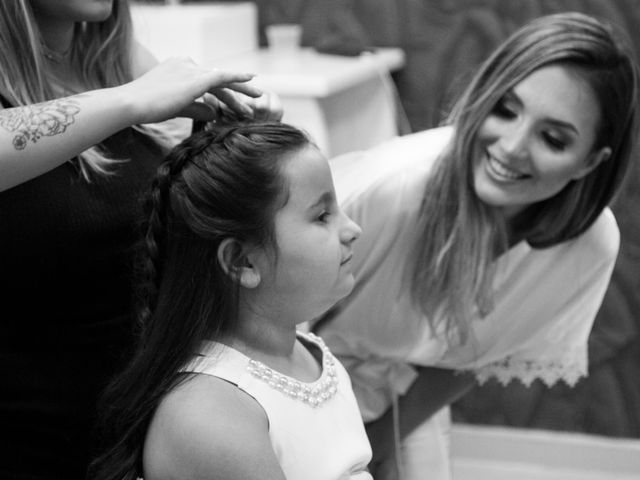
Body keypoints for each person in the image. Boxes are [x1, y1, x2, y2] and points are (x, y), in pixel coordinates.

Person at [312, 11, 639, 480]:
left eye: (552, 138)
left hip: (400, 393)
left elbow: (470, 359)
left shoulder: (589, 246)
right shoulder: (394, 189)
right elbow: (270, 324)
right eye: (505, 110)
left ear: (591, 162)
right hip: (293, 379)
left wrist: (381, 441)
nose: (511, 147)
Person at [0, 1, 282, 478]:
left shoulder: (106, 50)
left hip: (133, 429)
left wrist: (230, 128)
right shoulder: (126, 81)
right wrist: (132, 100)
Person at [88, 121, 370, 480]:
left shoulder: (308, 354)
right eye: (322, 216)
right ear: (242, 261)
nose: (352, 229)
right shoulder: (211, 416)